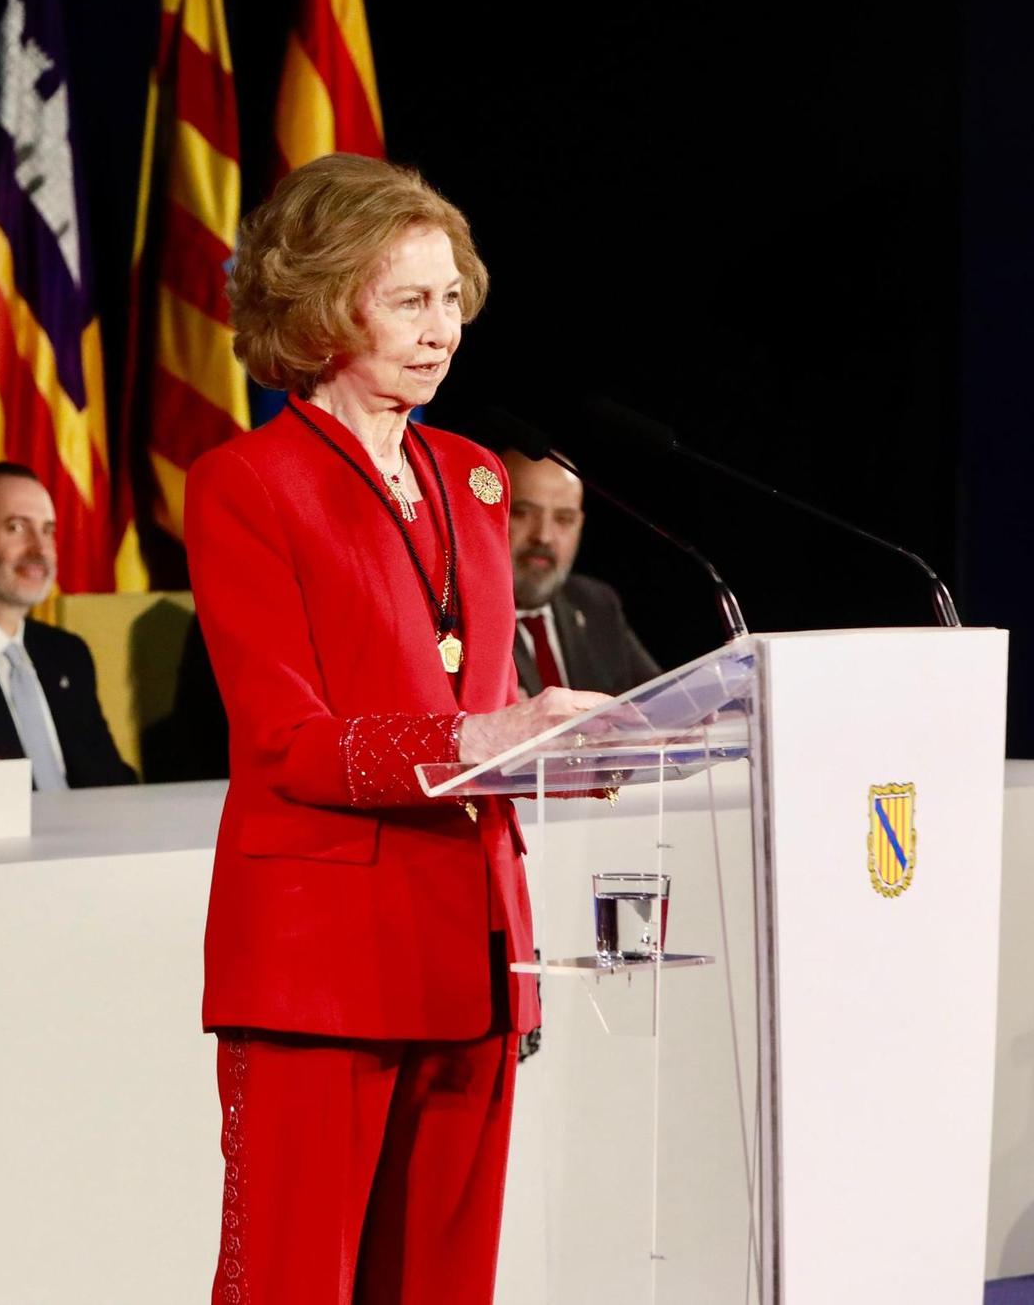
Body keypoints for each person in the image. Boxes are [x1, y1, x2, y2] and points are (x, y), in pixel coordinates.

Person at [186, 153, 609, 1303]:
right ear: (325, 305)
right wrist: (477, 743)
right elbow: (284, 740)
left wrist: (569, 751)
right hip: (319, 962)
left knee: (441, 1285)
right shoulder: (246, 481)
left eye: (452, 301)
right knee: (292, 1282)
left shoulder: (474, 479)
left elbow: (484, 699)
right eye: (409, 301)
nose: (442, 331)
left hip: (471, 954)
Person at [0, 462, 136, 790]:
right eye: (17, 528)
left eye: (48, 530)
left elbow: (110, 782)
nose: (40, 550)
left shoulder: (67, 653)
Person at [502, 446, 662, 697]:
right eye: (522, 513)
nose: (543, 536)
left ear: (579, 526)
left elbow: (661, 697)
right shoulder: (453, 616)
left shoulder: (595, 602)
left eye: (564, 519)